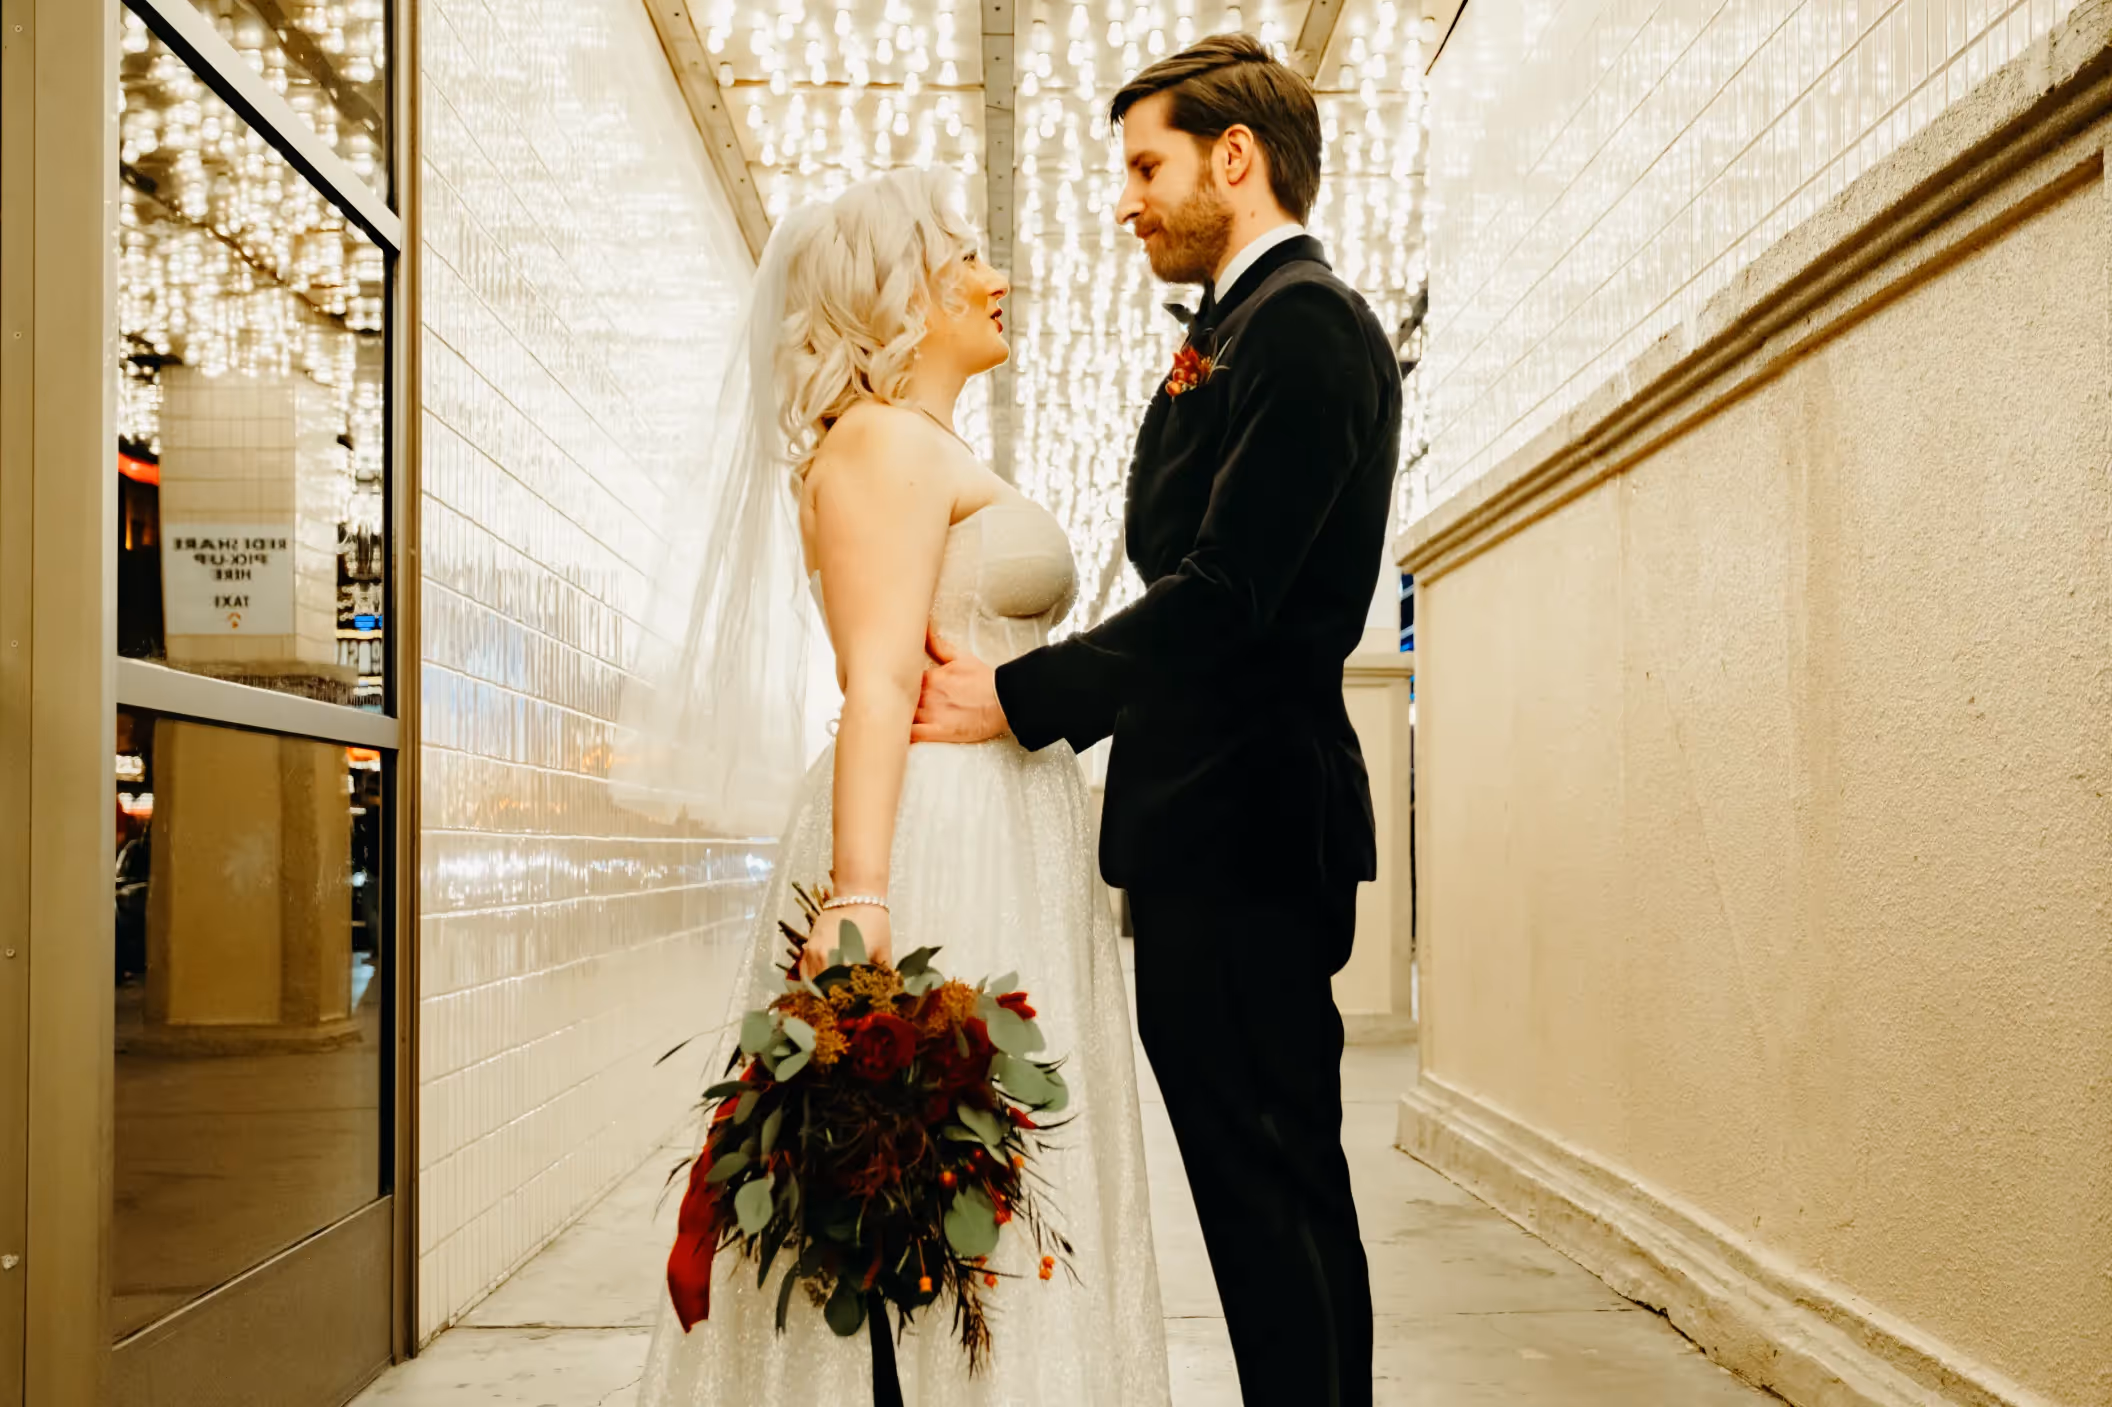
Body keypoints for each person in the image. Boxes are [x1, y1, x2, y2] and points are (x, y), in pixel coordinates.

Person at [629, 169, 1171, 1406]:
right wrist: (860, 895)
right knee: (922, 1168)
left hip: (1006, 820)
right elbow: (876, 683)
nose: (1001, 275)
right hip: (940, 831)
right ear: (906, 293)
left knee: (982, 1171)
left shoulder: (921, 444)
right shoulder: (874, 445)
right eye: (969, 254)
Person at [914, 35, 1401, 1407]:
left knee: (1271, 1182)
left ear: (1232, 159)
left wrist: (1019, 698)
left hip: (1250, 820)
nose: (1126, 201)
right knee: (1267, 1182)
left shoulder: (1304, 324)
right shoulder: (1239, 330)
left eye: (1147, 165)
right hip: (1211, 820)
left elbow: (1232, 588)